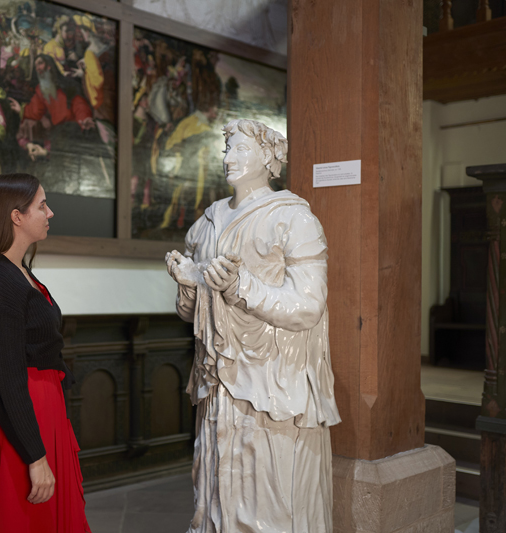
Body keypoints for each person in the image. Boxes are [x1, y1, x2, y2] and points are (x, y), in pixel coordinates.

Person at [165, 119, 340, 532]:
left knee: (270, 495)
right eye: (227, 149)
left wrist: (240, 285)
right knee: (216, 487)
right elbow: (191, 316)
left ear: (267, 156)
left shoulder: (293, 219)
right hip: (220, 383)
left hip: (273, 383)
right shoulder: (206, 224)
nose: (229, 158)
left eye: (240, 149)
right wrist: (190, 285)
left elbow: (308, 305)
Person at [0, 174, 90, 533]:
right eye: (42, 205)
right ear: (16, 216)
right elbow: (5, 373)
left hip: (42, 411)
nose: (50, 212)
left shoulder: (19, 272)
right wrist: (35, 456)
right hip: (16, 424)